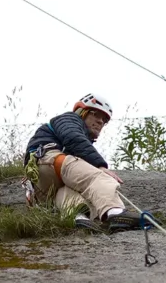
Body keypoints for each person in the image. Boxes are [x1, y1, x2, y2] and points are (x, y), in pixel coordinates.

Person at [24, 93, 141, 232]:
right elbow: (73, 137)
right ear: (82, 112)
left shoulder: (76, 140)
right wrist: (100, 166)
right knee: (96, 176)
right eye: (95, 114)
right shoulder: (69, 119)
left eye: (104, 120)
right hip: (50, 159)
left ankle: (78, 217)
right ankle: (115, 212)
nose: (100, 121)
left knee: (64, 192)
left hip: (40, 183)